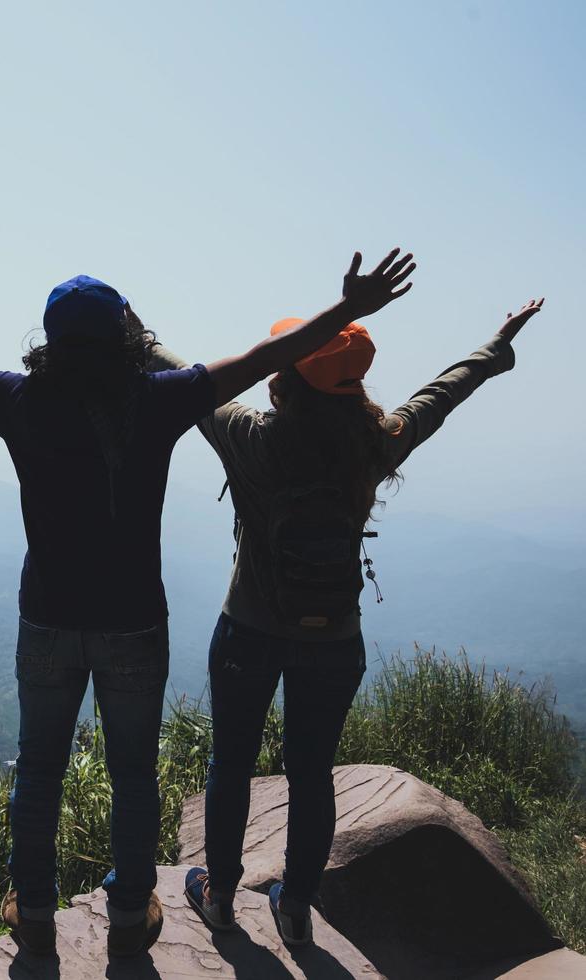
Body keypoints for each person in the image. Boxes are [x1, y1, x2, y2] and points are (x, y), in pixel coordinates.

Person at [0, 237, 417, 956]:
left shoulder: (19, 400)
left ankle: (35, 912)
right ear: (121, 340)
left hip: (46, 619)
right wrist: (348, 310)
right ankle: (133, 916)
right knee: (132, 772)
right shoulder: (158, 399)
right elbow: (263, 360)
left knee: (39, 768)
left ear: (50, 340)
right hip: (135, 625)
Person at [157, 295, 546, 946]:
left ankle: (219, 896)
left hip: (249, 630)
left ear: (286, 376)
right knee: (313, 773)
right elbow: (439, 397)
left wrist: (139, 338)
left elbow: (193, 384)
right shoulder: (374, 443)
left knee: (231, 765)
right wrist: (494, 347)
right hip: (332, 638)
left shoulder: (252, 437)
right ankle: (296, 905)